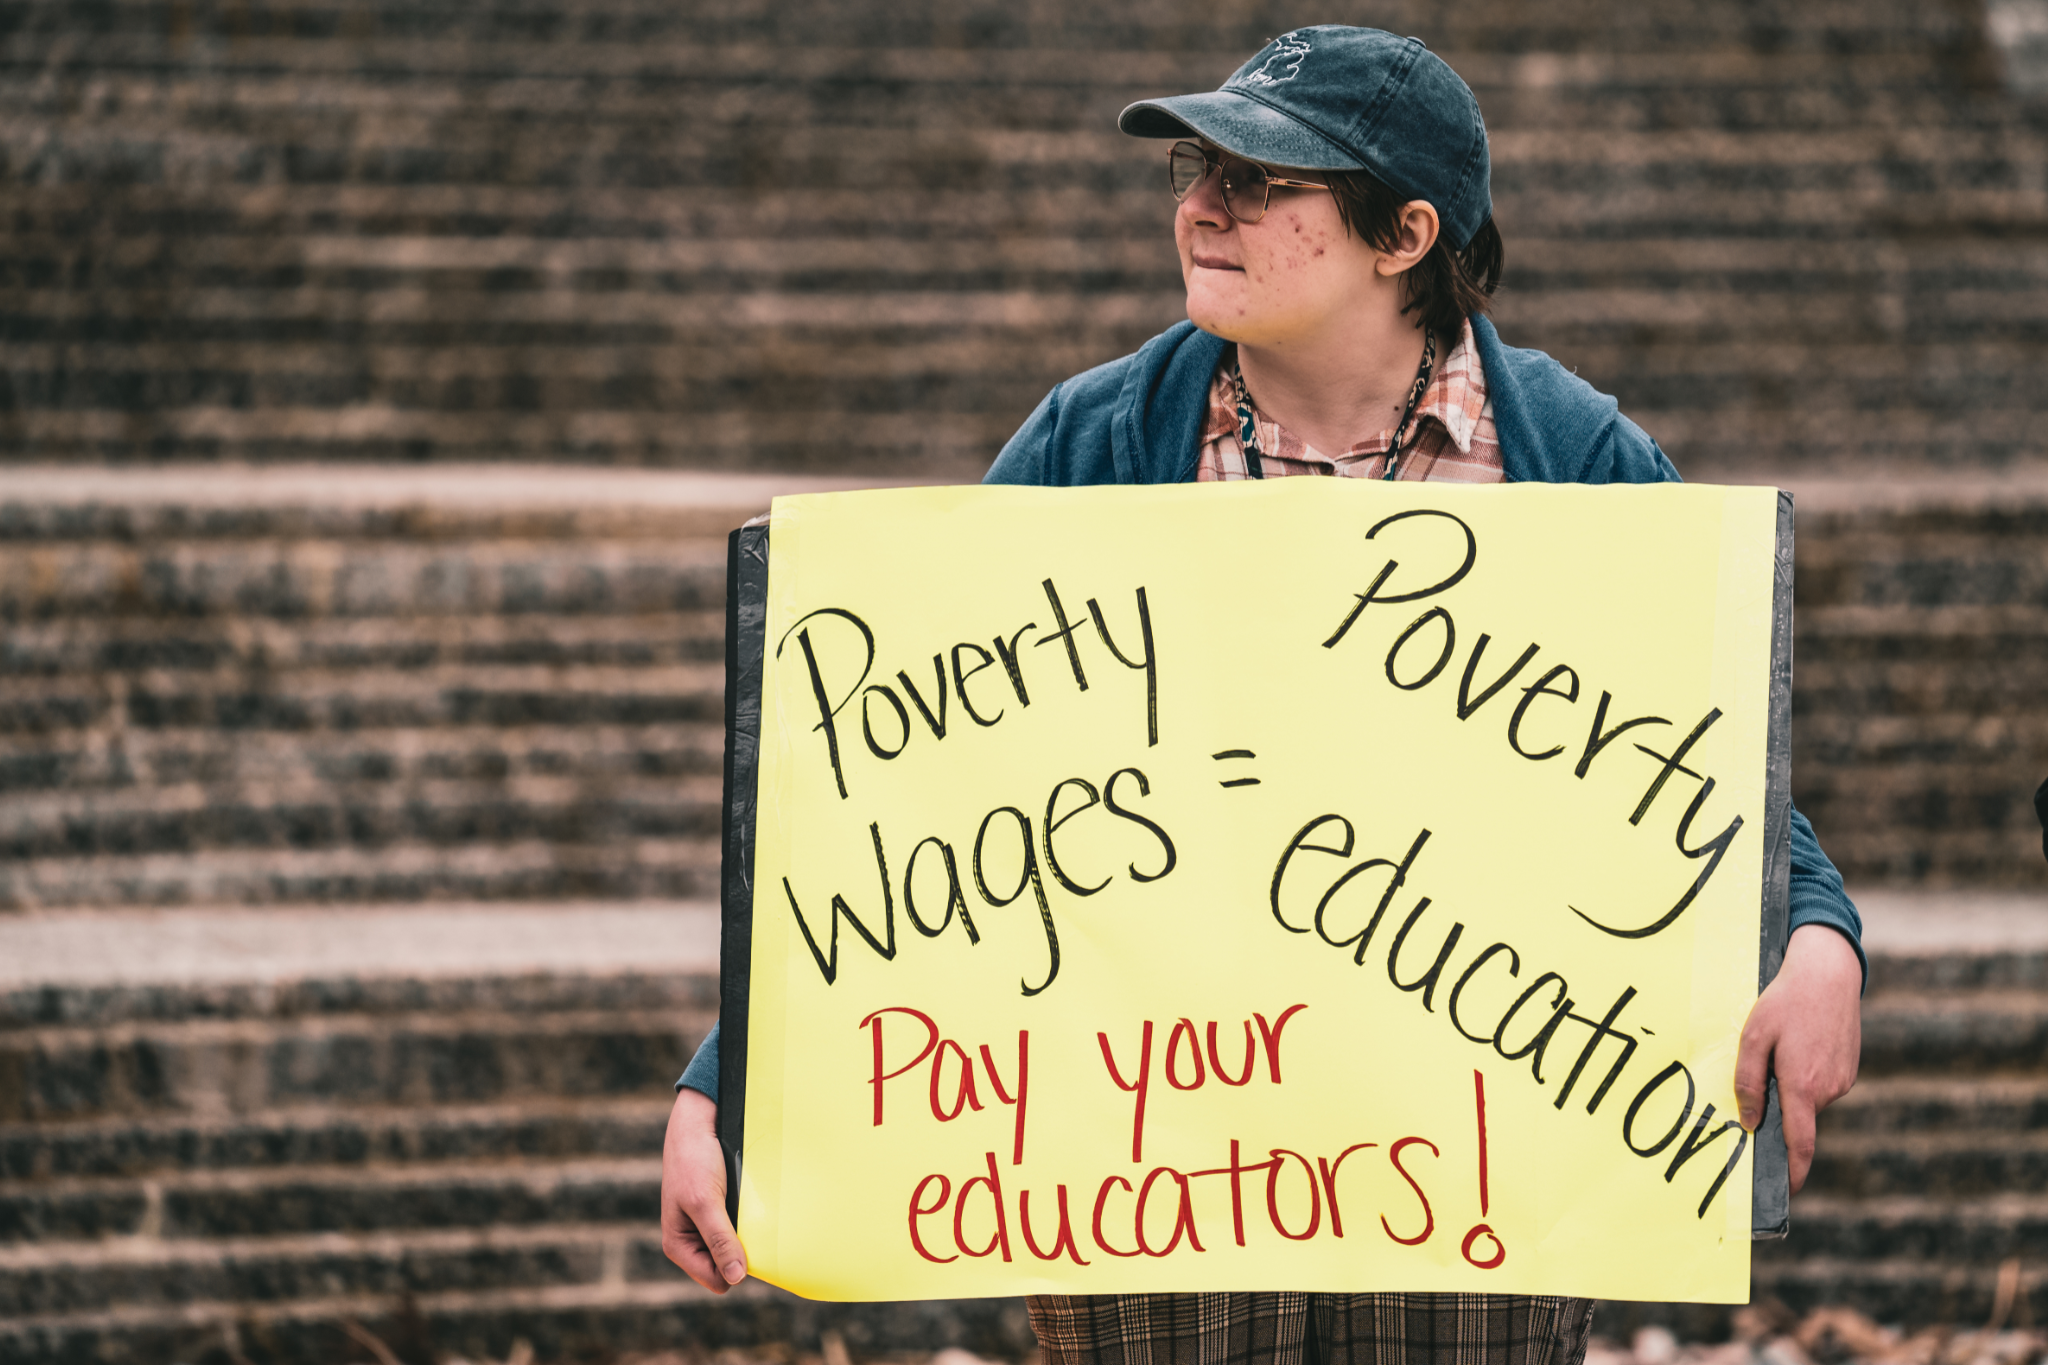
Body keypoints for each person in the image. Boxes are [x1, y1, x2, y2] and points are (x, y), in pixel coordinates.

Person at [661, 27, 1866, 1363]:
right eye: (1196, 164)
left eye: (1261, 179)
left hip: (1469, 1161)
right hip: (1148, 1157)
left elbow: (1697, 766)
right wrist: (731, 1080)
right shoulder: (1095, 442)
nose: (1201, 205)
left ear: (1404, 234)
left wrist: (1820, 939)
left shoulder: (1569, 455)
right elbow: (894, 805)